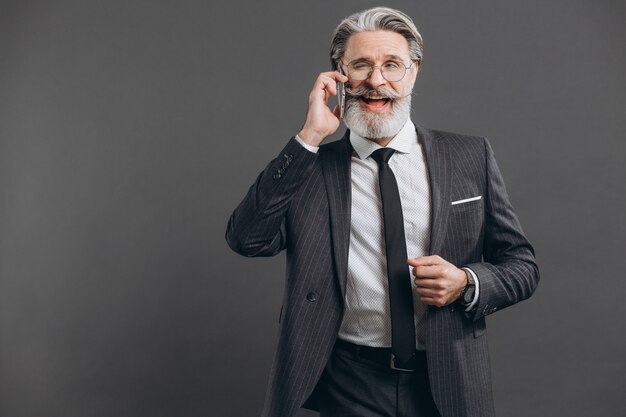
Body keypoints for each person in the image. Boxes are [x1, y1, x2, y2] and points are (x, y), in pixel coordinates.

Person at [226, 6, 539, 417]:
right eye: (361, 65)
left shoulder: (469, 155)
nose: (376, 82)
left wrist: (466, 281)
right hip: (347, 380)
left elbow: (522, 265)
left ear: (414, 71)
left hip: (447, 376)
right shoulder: (310, 165)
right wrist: (309, 137)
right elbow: (247, 239)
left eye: (391, 64)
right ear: (339, 73)